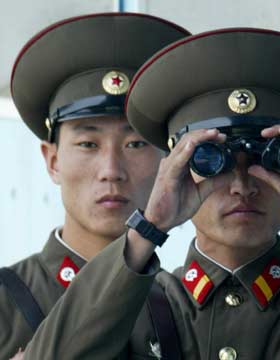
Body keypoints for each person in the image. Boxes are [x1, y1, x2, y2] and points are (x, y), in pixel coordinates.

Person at [23, 29, 280, 359]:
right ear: (175, 171)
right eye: (213, 163)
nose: (242, 185)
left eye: (264, 162)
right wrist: (149, 228)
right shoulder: (134, 310)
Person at [1, 12, 190, 359]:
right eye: (89, 144)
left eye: (134, 144)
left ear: (167, 159)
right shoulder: (6, 300)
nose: (111, 170)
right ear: (52, 161)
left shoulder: (180, 307)